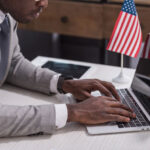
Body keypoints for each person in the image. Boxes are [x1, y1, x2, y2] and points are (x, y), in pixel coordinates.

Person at [0, 0, 136, 137]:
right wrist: (71, 112)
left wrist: (63, 83)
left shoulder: (7, 15)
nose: (44, 3)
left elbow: (12, 62)